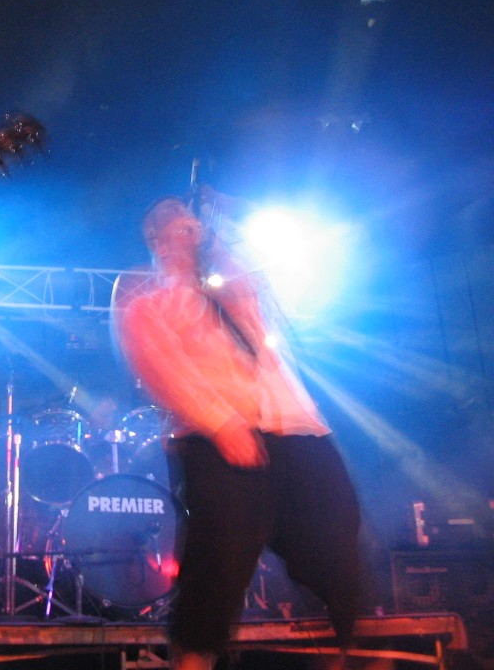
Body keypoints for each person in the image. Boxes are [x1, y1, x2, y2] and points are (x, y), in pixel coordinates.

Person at [114, 195, 361, 670]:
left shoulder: (234, 291)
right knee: (220, 561)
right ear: (159, 243)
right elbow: (161, 363)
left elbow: (262, 275)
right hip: (217, 442)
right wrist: (220, 423)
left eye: (193, 223)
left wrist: (226, 223)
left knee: (335, 532)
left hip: (290, 429)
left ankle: (348, 646)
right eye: (180, 225)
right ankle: (193, 659)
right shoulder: (153, 303)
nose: (193, 229)